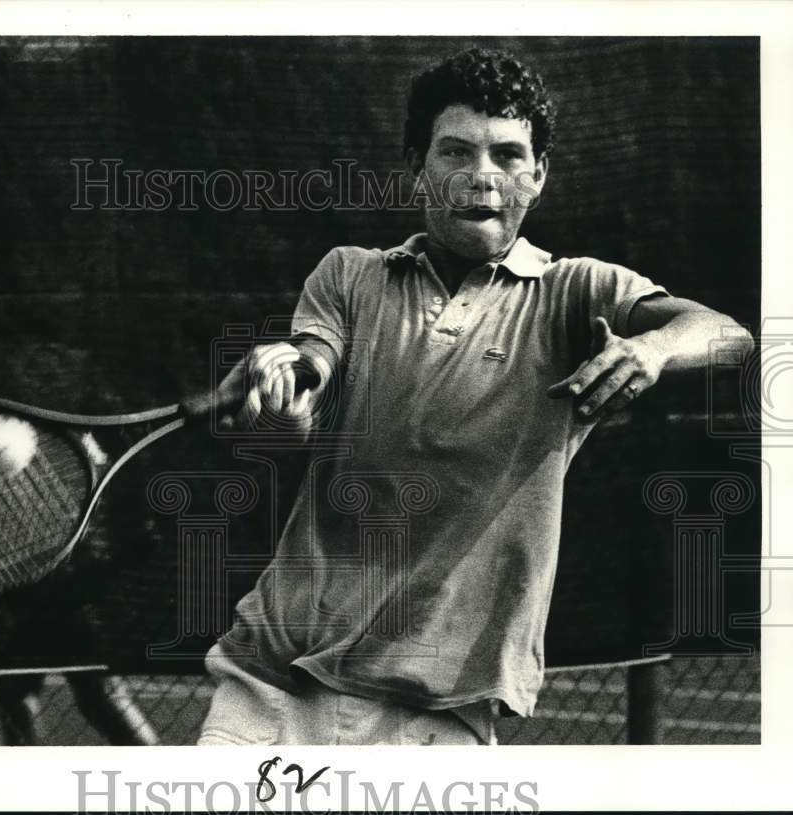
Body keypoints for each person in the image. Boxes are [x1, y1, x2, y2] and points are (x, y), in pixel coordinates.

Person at [197, 47, 752, 746]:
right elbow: (312, 373)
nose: (482, 176)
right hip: (270, 682)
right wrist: (287, 385)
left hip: (438, 713)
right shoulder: (349, 276)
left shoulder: (575, 292)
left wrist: (651, 348)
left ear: (538, 175)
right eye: (456, 151)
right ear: (417, 167)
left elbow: (725, 332)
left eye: (509, 155)